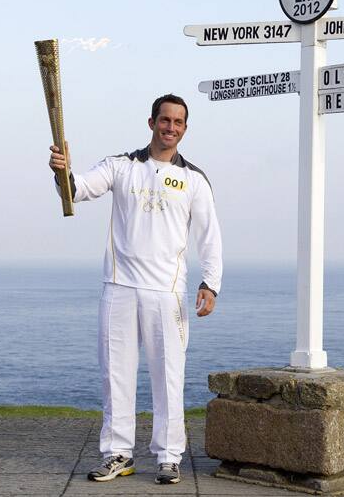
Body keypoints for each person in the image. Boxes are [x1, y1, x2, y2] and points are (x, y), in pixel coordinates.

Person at [48, 93, 222, 485]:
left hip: (167, 293)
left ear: (185, 128)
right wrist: (62, 171)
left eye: (178, 122)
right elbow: (76, 190)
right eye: (165, 120)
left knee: (168, 377)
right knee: (116, 375)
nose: (170, 127)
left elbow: (210, 236)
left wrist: (211, 283)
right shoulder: (121, 167)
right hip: (120, 287)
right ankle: (117, 454)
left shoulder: (194, 179)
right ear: (151, 122)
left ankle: (169, 456)